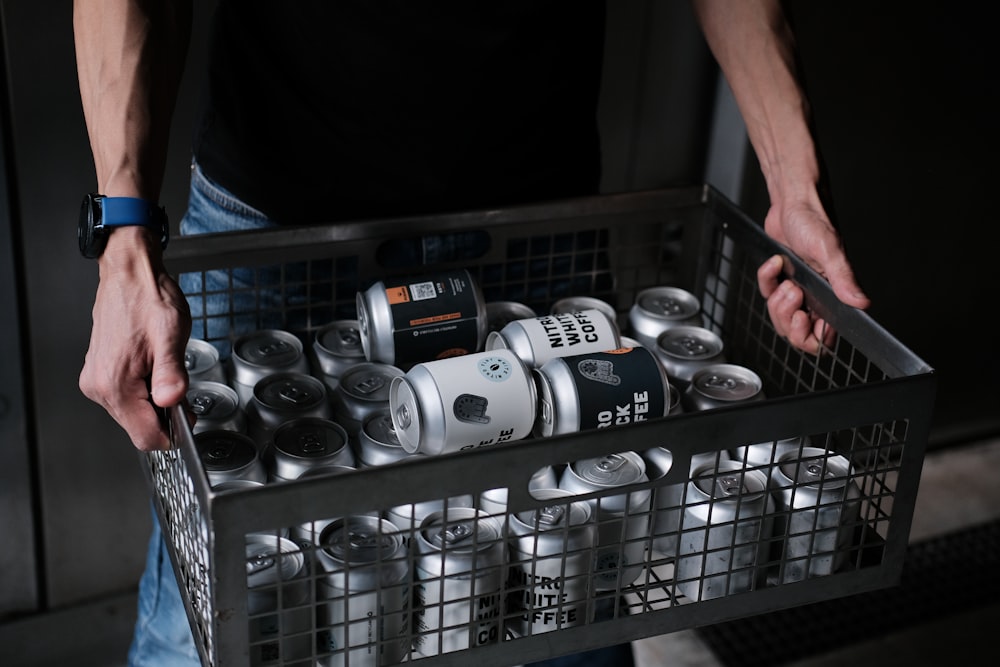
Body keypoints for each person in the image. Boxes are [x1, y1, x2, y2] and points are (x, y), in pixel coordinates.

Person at [72, 1, 869, 666]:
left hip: (537, 231)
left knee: (565, 610)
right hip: (276, 226)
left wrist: (796, 182)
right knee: (210, 619)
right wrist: (124, 233)